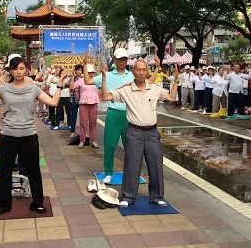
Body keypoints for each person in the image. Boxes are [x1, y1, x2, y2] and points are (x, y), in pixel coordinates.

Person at [0, 57, 66, 215]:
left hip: (29, 135)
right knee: (5, 171)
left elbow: (53, 103)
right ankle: (3, 205)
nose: (19, 72)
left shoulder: (33, 89)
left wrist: (60, 85)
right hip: (8, 136)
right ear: (10, 70)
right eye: (16, 68)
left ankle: (37, 203)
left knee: (34, 171)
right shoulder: (3, 89)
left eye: (22, 68)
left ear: (26, 70)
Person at [101, 58, 179, 207]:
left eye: (144, 70)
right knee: (132, 165)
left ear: (147, 71)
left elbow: (171, 97)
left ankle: (157, 196)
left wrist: (176, 81)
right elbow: (106, 97)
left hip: (152, 133)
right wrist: (104, 78)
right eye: (138, 70)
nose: (141, 73)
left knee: (156, 165)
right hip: (134, 132)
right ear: (133, 72)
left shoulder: (154, 88)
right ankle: (128, 197)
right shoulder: (126, 89)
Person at [83, 48, 134, 184]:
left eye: (124, 59)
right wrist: (84, 65)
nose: (122, 61)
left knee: (130, 146)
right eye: (119, 59)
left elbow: (146, 82)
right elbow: (88, 81)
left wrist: (158, 67)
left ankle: (130, 172)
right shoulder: (107, 75)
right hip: (113, 113)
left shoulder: (132, 75)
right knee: (110, 145)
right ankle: (108, 172)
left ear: (126, 60)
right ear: (115, 60)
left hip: (129, 114)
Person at [73, 64, 100, 148]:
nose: (90, 74)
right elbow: (71, 86)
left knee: (93, 124)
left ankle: (93, 141)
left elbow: (104, 86)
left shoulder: (96, 80)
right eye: (89, 72)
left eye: (92, 72)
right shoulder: (80, 80)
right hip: (83, 104)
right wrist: (72, 77)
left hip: (94, 103)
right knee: (83, 123)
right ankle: (82, 140)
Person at [68, 64, 83, 138]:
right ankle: (72, 131)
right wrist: (73, 76)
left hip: (83, 100)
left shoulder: (84, 78)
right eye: (77, 70)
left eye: (80, 70)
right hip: (74, 100)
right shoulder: (72, 78)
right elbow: (70, 87)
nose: (79, 71)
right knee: (73, 116)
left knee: (83, 118)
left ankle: (83, 133)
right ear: (75, 71)